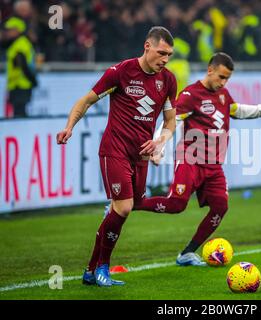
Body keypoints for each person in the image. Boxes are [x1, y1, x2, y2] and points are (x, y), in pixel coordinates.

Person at [135, 52, 261, 266]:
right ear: (210, 70)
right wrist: (158, 145)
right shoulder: (190, 95)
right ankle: (133, 203)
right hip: (190, 161)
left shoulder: (224, 95)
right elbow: (173, 122)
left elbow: (240, 111)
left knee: (221, 207)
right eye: (221, 77)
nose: (224, 82)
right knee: (176, 204)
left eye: (227, 78)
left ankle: (187, 253)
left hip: (214, 166)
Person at [56, 26, 177, 286]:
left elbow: (170, 122)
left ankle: (90, 271)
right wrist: (69, 127)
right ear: (147, 46)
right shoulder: (120, 72)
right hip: (115, 149)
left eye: (169, 55)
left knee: (123, 209)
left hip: (141, 155)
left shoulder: (168, 80)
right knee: (124, 207)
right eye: (161, 53)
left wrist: (160, 142)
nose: (165, 59)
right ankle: (103, 268)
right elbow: (86, 100)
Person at [3, 17, 37, 117]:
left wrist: (32, 80)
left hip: (20, 85)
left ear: (17, 30)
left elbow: (23, 65)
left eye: (10, 30)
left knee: (19, 113)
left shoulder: (20, 44)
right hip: (18, 84)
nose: (7, 32)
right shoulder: (19, 43)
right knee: (20, 112)